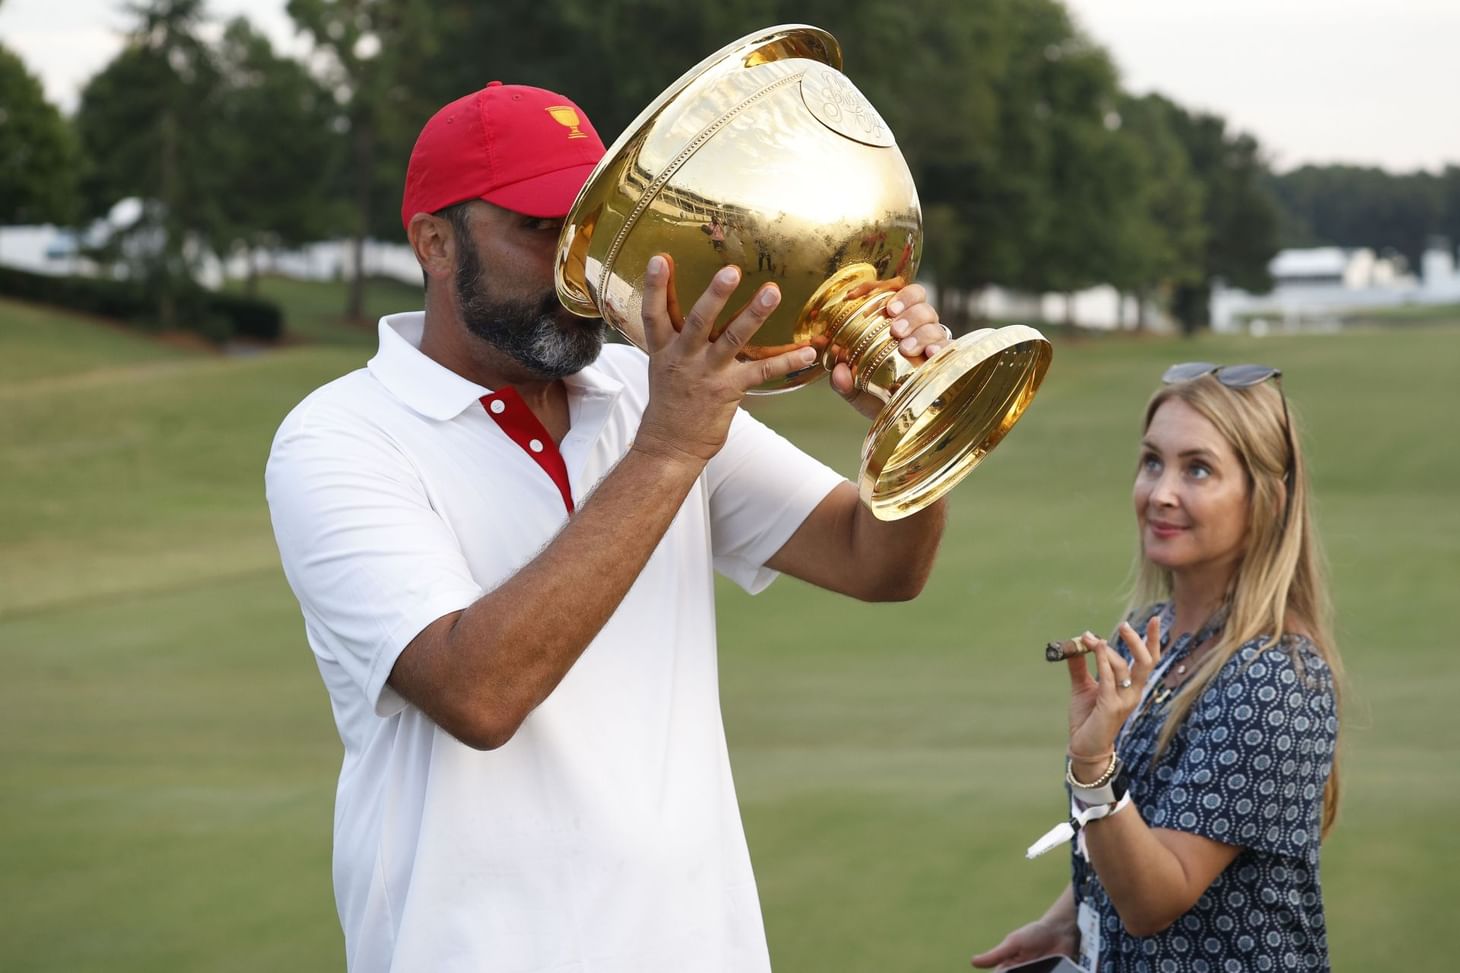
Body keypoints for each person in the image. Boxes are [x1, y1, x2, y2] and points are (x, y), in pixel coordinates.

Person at [266, 82, 957, 973]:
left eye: (592, 228)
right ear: (433, 242)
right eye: (540, 229)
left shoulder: (643, 388)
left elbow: (876, 562)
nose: (581, 267)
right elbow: (479, 694)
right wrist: (668, 448)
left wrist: (909, 421)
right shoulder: (339, 438)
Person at [972, 363, 1343, 973]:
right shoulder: (1154, 632)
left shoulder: (1273, 678)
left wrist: (1093, 766)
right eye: (1152, 462)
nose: (1160, 492)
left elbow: (1153, 902)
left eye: (1197, 469)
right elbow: (1145, 820)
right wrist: (1069, 918)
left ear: (1267, 501)